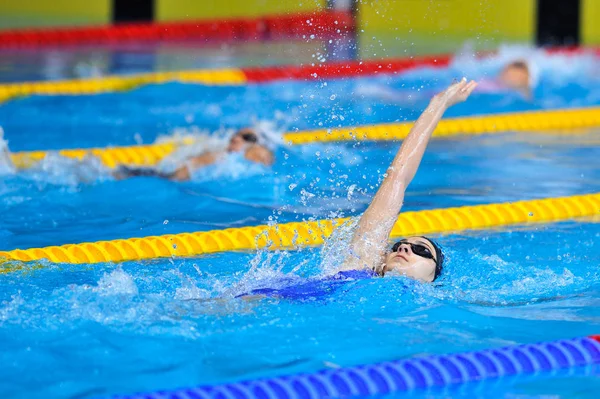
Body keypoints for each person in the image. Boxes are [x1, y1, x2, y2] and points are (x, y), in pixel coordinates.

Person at [239, 78, 477, 299]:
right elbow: (397, 177)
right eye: (398, 246)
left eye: (421, 251)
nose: (404, 247)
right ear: (381, 261)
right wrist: (438, 104)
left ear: (433, 278)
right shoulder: (362, 267)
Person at [114, 128, 274, 181]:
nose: (236, 138)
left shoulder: (255, 154)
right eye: (235, 137)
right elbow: (180, 172)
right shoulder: (219, 156)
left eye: (243, 138)